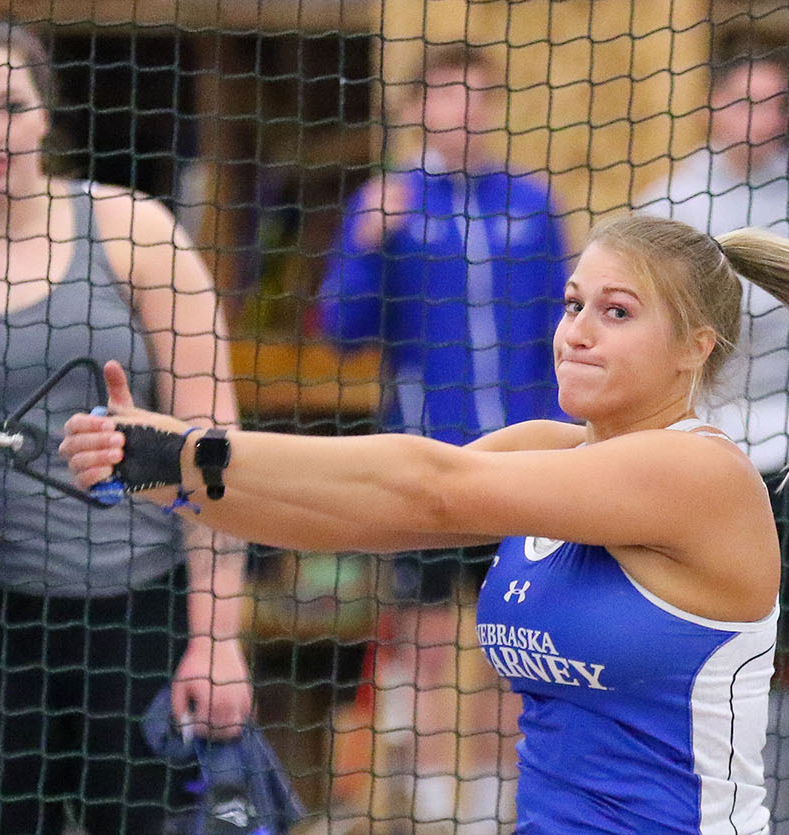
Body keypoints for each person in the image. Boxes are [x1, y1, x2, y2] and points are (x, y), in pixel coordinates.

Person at [62, 212, 789, 833]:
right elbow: (357, 512)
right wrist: (160, 474)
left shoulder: (696, 474)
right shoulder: (553, 450)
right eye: (574, 302)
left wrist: (191, 450)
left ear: (695, 348)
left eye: (617, 312)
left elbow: (429, 485)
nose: (577, 330)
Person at [0, 19, 253, 834]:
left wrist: (217, 637)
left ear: (45, 116)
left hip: (139, 614)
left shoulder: (136, 233)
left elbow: (218, 447)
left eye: (10, 106)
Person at [315, 44, 569, 826]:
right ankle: (432, 805)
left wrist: (564, 437)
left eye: (476, 97)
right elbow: (340, 327)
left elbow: (561, 332)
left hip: (519, 468)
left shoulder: (529, 204)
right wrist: (367, 242)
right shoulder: (390, 201)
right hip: (426, 462)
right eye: (448, 96)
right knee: (425, 643)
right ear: (417, 109)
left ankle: (495, 802)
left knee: (511, 638)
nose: (464, 112)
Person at [636, 53, 789, 832]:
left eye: (774, 105)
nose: (758, 120)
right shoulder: (668, 207)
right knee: (687, 633)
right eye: (743, 101)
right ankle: (679, 797)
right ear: (712, 105)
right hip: (698, 451)